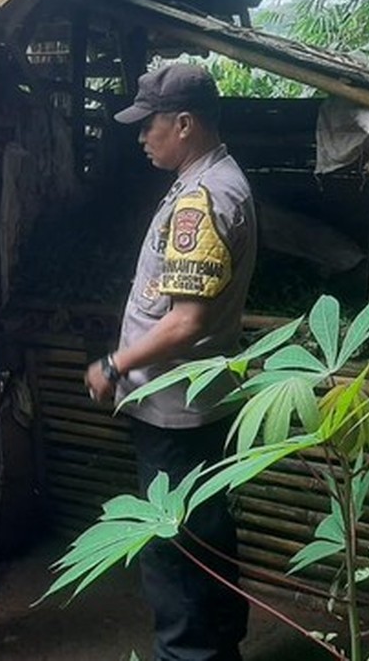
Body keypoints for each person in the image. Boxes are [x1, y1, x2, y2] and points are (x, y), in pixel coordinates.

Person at [84, 63, 255, 661]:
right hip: (197, 401)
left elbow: (186, 322)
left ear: (184, 124)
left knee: (174, 545)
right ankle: (221, 646)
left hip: (177, 410)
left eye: (147, 124)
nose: (140, 137)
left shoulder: (201, 201)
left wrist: (114, 363)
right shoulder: (215, 180)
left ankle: (189, 654)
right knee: (205, 529)